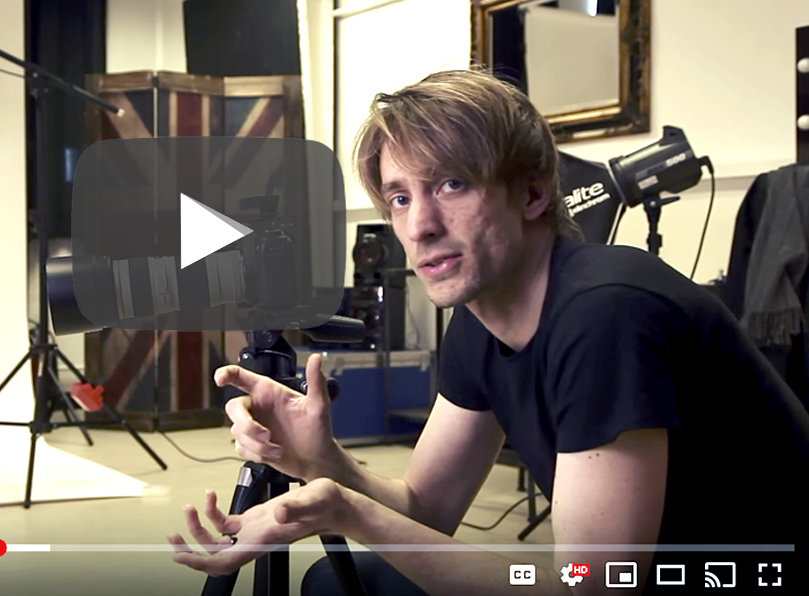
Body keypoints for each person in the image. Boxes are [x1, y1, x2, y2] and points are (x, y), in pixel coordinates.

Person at [168, 68, 809, 595]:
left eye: (452, 185)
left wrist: (348, 510)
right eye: (399, 197)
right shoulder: (481, 315)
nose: (419, 226)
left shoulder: (607, 313)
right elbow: (426, 509)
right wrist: (321, 459)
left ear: (531, 194)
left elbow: (592, 587)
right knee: (339, 584)